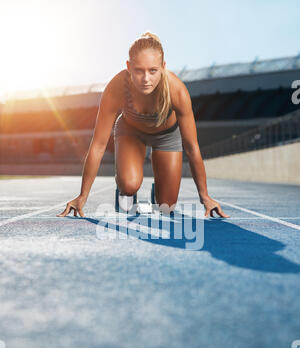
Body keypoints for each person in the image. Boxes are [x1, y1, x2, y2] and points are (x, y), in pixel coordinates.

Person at [57, 31, 230, 219]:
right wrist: (83, 196)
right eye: (139, 70)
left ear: (163, 67)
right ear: (128, 67)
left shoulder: (177, 91)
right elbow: (98, 144)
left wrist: (205, 196)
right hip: (131, 132)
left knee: (166, 207)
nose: (146, 79)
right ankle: (124, 188)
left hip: (167, 136)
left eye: (153, 71)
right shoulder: (116, 87)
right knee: (129, 184)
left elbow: (192, 147)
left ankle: (160, 188)